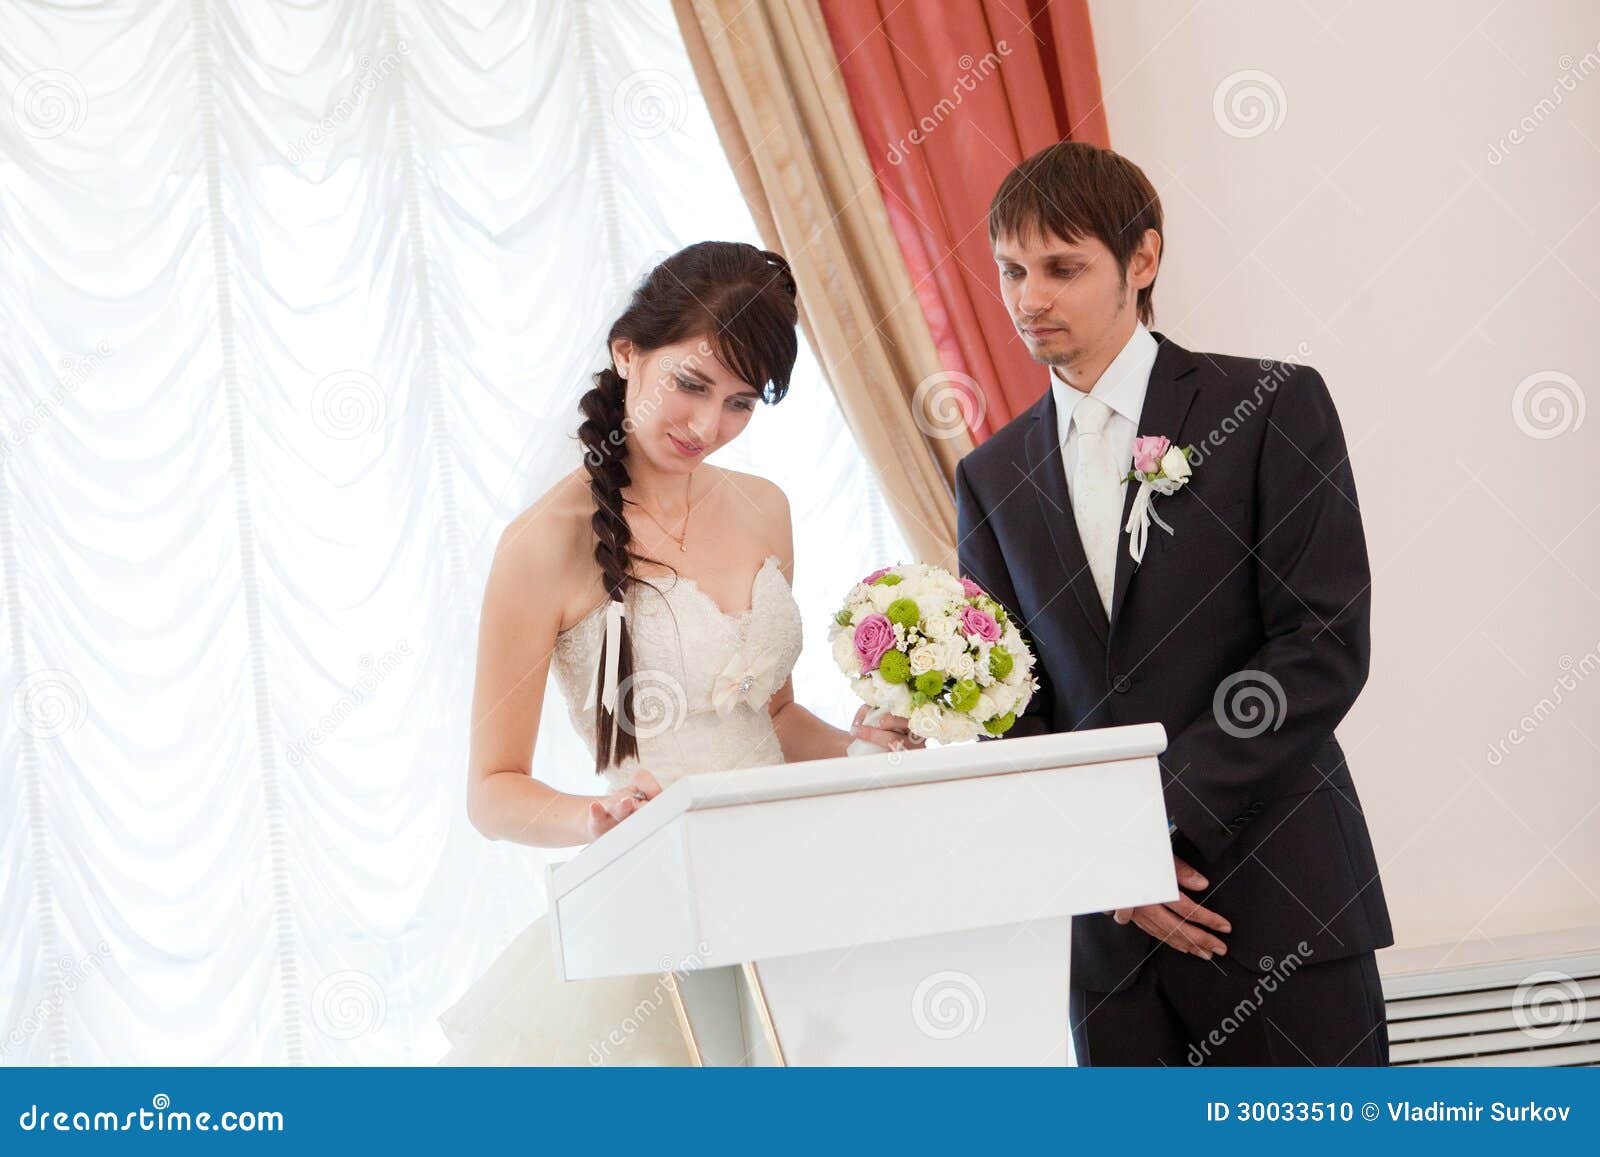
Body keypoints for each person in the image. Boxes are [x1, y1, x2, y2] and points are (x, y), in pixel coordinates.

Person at [956, 141, 1393, 1065]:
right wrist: (1108, 863)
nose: (1030, 298)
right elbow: (1011, 706)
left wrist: (1153, 824)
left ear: (1142, 260)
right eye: (1011, 270)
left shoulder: (1272, 404)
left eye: (1063, 268)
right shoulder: (990, 476)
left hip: (1278, 904)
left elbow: (1320, 643)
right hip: (1111, 944)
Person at [439, 241, 920, 1065]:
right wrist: (597, 817)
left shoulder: (766, 507)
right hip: (662, 900)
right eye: (691, 385)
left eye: (739, 403)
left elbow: (770, 714)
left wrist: (855, 747)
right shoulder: (541, 546)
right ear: (628, 351)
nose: (707, 426)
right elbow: (491, 792)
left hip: (798, 887)